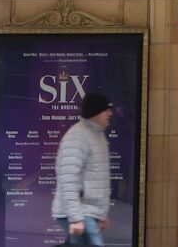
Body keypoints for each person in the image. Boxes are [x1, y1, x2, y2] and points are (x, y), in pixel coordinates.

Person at [53, 92, 115, 246]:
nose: (110, 113)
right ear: (95, 111)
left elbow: (97, 178)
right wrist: (75, 218)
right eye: (106, 110)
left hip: (88, 212)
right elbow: (68, 179)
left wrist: (101, 215)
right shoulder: (77, 136)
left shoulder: (97, 135)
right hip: (80, 211)